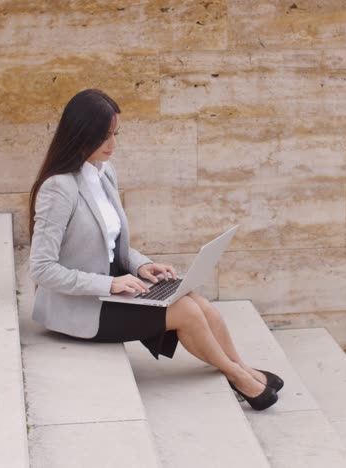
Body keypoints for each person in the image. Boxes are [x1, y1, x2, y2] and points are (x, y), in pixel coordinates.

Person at [28, 88, 283, 411]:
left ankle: (244, 369)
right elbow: (42, 268)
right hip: (81, 307)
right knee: (187, 312)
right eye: (104, 136)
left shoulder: (104, 175)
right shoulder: (58, 188)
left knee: (199, 303)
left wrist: (141, 266)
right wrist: (110, 284)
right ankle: (239, 377)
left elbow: (109, 243)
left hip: (113, 288)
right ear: (81, 133)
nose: (113, 145)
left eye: (115, 134)